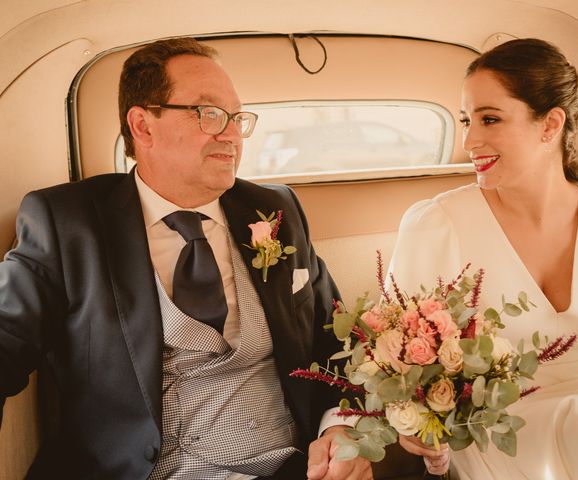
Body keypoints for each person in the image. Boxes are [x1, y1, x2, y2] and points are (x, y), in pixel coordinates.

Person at [0, 37, 372, 480]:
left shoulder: (276, 209)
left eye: (237, 117)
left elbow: (340, 341)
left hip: (295, 468)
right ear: (143, 125)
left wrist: (343, 428)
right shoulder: (66, 223)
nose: (231, 133)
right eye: (209, 113)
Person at [388, 38, 578, 479]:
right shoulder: (437, 225)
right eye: (466, 120)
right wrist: (413, 419)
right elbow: (396, 357)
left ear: (550, 124)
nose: (469, 140)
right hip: (499, 425)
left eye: (489, 119)